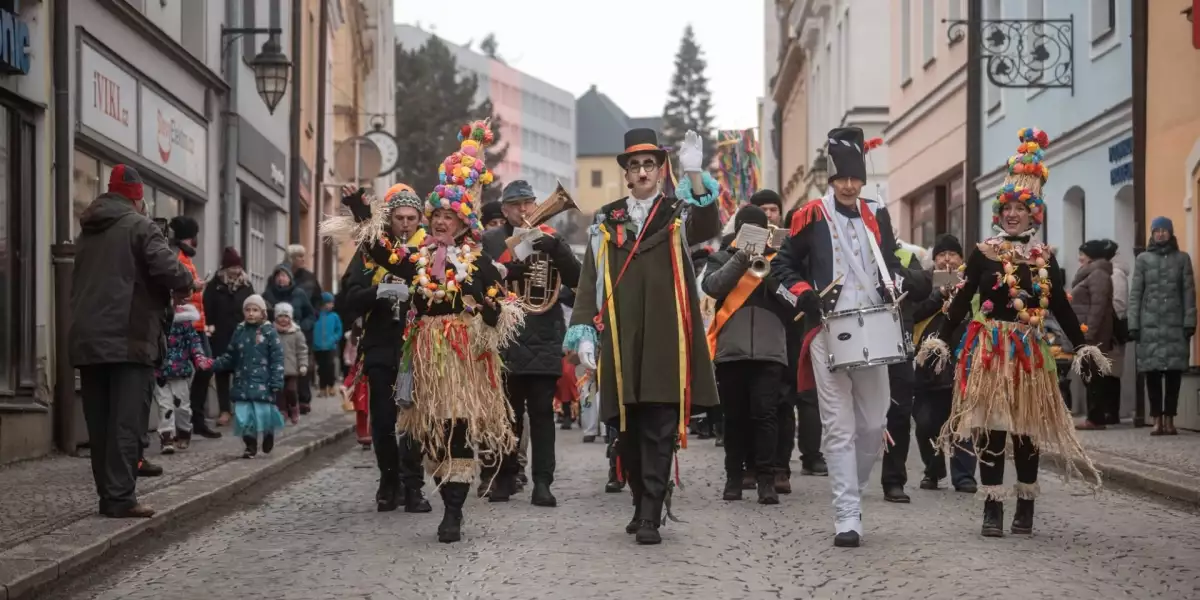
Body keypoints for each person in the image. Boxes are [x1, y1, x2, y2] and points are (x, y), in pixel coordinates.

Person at [325, 121, 521, 543]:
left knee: (457, 429)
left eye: (448, 216)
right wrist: (362, 211)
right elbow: (379, 249)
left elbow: (501, 306)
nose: (440, 222)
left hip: (462, 356)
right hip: (425, 354)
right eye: (436, 216)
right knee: (431, 432)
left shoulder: (476, 261)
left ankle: (452, 511)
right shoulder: (416, 258)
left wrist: (488, 313)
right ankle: (429, 486)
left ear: (464, 223)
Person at [917, 128, 1107, 538]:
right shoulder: (984, 253)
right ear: (999, 212)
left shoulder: (1045, 259)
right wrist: (940, 341)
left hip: (1030, 353)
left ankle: (1025, 505)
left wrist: (1084, 346)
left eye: (1022, 207)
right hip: (990, 351)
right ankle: (991, 507)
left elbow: (1060, 307)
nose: (1013, 213)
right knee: (990, 428)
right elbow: (962, 298)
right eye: (1008, 207)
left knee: (1026, 430)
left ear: (1034, 213)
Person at [771, 127, 929, 548]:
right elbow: (780, 271)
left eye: (854, 177)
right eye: (841, 177)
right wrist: (805, 298)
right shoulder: (809, 216)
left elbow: (891, 263)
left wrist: (897, 282)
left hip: (875, 331)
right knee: (838, 428)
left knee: (876, 423)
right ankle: (846, 513)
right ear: (831, 177)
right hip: (828, 332)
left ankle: (853, 490)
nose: (847, 185)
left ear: (863, 178)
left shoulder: (877, 214)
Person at [564, 127, 721, 545]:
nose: (642, 171)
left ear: (660, 169)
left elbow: (708, 224)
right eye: (635, 165)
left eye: (650, 163)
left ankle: (651, 512)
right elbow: (589, 278)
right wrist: (583, 331)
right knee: (627, 431)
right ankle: (641, 501)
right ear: (627, 174)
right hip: (621, 335)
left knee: (660, 426)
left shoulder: (677, 211)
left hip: (668, 336)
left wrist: (696, 175)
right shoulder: (606, 220)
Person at [69, 164, 193, 518]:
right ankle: (120, 499)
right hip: (129, 337)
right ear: (138, 198)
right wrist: (185, 282)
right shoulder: (141, 226)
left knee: (101, 422)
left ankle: (108, 495)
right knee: (126, 421)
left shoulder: (88, 231)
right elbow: (169, 269)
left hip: (88, 339)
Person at [332, 183, 432, 513]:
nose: (405, 224)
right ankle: (389, 480)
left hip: (418, 349)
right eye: (399, 218)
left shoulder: (428, 252)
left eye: (411, 218)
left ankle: (413, 486)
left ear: (420, 220)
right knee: (384, 421)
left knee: (415, 421)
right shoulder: (370, 252)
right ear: (389, 220)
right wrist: (379, 291)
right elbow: (345, 302)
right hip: (379, 346)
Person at [481, 179, 582, 506]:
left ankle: (542, 482)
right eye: (516, 205)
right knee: (505, 415)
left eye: (528, 203)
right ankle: (504, 477)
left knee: (541, 415)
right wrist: (508, 268)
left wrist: (557, 251)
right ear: (505, 209)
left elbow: (578, 280)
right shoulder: (492, 240)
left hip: (543, 336)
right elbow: (480, 282)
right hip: (505, 337)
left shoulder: (551, 237)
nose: (524, 210)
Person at [703, 204, 791, 505]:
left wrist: (766, 272)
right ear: (737, 232)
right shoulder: (720, 257)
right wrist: (741, 258)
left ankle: (766, 480)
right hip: (731, 352)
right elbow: (713, 287)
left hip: (769, 351)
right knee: (735, 418)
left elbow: (792, 301)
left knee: (766, 417)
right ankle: (734, 478)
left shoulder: (779, 261)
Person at [911, 234, 977, 493]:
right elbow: (913, 314)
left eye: (952, 254)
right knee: (926, 422)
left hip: (961, 359)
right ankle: (934, 468)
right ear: (934, 259)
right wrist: (938, 296)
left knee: (963, 421)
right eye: (941, 254)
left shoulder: (970, 282)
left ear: (961, 259)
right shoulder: (922, 282)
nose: (947, 259)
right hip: (927, 362)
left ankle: (964, 476)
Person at [1129, 216, 1196, 436]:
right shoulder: (1143, 260)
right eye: (1156, 231)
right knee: (1153, 374)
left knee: (1174, 375)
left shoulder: (1182, 259)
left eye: (1164, 231)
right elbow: (1136, 294)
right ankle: (1156, 419)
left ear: (1170, 233)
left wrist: (1189, 321)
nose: (1160, 234)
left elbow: (1189, 293)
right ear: (1152, 233)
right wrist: (1134, 324)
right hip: (1150, 325)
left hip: (1175, 323)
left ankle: (1170, 419)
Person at [781, 205, 827, 481]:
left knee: (810, 395)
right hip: (784, 329)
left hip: (811, 327)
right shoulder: (785, 256)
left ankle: (811, 454)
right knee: (784, 397)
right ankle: (780, 461)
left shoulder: (818, 253)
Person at [212, 295, 287, 458]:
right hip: (242, 382)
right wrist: (214, 364)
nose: (251, 313)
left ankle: (268, 433)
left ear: (262, 313)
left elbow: (277, 358)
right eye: (248, 310)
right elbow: (231, 355)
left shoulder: (269, 332)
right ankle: (250, 445)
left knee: (263, 414)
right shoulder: (239, 331)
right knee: (244, 418)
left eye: (255, 310)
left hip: (263, 383)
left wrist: (276, 380)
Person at [198, 248, 254, 429]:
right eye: (232, 267)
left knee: (241, 373)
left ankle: (240, 408)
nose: (236, 271)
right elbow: (206, 307)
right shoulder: (215, 285)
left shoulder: (246, 285)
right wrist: (209, 327)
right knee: (221, 373)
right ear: (225, 267)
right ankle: (224, 410)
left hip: (241, 335)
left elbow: (253, 306)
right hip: (220, 334)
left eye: (238, 267)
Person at [155, 302, 213, 454]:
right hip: (160, 374)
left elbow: (195, 344)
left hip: (180, 373)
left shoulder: (185, 324)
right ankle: (166, 437)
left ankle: (184, 431)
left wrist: (200, 359)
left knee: (182, 407)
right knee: (165, 406)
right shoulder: (156, 322)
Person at [1072, 240, 1117, 430]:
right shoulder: (1091, 273)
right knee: (1089, 373)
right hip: (1086, 332)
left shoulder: (1098, 274)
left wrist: (1089, 333)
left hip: (1093, 334)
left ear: (1091, 256)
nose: (1079, 257)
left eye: (1082, 253)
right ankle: (1095, 416)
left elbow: (1098, 307)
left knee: (1093, 375)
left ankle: (1096, 418)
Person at [263, 265, 316, 413]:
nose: (281, 278)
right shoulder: (268, 295)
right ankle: (282, 405)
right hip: (276, 336)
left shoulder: (299, 294)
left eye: (284, 275)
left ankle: (303, 400)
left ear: (290, 278)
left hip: (296, 334)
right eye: (278, 275)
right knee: (279, 374)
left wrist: (303, 327)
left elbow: (311, 314)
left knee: (300, 368)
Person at [273, 303, 310, 424]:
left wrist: (303, 364)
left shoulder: (296, 333)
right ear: (275, 317)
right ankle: (282, 411)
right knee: (279, 392)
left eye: (286, 316)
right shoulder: (272, 333)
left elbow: (302, 350)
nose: (283, 319)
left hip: (292, 369)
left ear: (291, 318)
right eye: (280, 316)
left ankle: (294, 408)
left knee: (291, 390)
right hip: (276, 368)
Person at [1108, 243, 1130, 425]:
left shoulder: (1116, 274)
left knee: (1113, 372)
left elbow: (1119, 305)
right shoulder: (1112, 272)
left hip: (1114, 330)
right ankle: (1111, 412)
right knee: (1109, 371)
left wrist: (1109, 321)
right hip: (1110, 328)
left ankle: (1113, 412)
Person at [313, 291, 344, 396]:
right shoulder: (316, 315)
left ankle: (331, 386)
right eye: (329, 303)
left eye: (332, 303)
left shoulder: (335, 316)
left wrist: (334, 338)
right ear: (323, 304)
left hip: (330, 346)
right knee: (321, 368)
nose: (331, 305)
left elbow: (339, 329)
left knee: (330, 367)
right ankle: (322, 388)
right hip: (318, 347)